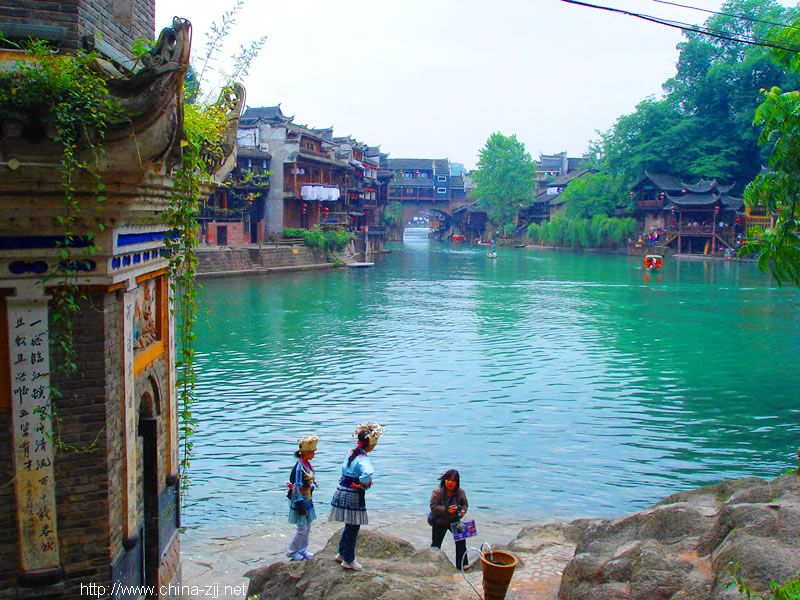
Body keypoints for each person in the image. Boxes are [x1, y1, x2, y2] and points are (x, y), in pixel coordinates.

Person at [329, 422, 384, 571]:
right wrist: (363, 485)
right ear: (370, 444)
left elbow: (344, 468)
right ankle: (348, 559)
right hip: (353, 492)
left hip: (342, 488)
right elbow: (368, 473)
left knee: (349, 524)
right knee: (354, 526)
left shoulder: (350, 453)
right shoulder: (363, 459)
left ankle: (342, 553)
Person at [286, 435, 319, 560]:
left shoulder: (307, 464)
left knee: (308, 526)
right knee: (302, 528)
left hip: (306, 496)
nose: (314, 454)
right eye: (312, 452)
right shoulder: (300, 467)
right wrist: (300, 503)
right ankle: (291, 551)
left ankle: (302, 549)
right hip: (298, 498)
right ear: (306, 453)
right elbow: (297, 486)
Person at [429, 469, 470, 571]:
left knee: (462, 541)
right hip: (440, 521)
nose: (450, 483)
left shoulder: (461, 492)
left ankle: (462, 565)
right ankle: (432, 565)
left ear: (457, 482)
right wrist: (447, 509)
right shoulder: (437, 492)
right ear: (444, 480)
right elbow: (433, 507)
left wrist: (463, 511)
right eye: (448, 480)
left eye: (453, 481)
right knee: (436, 545)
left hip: (455, 520)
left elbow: (465, 504)